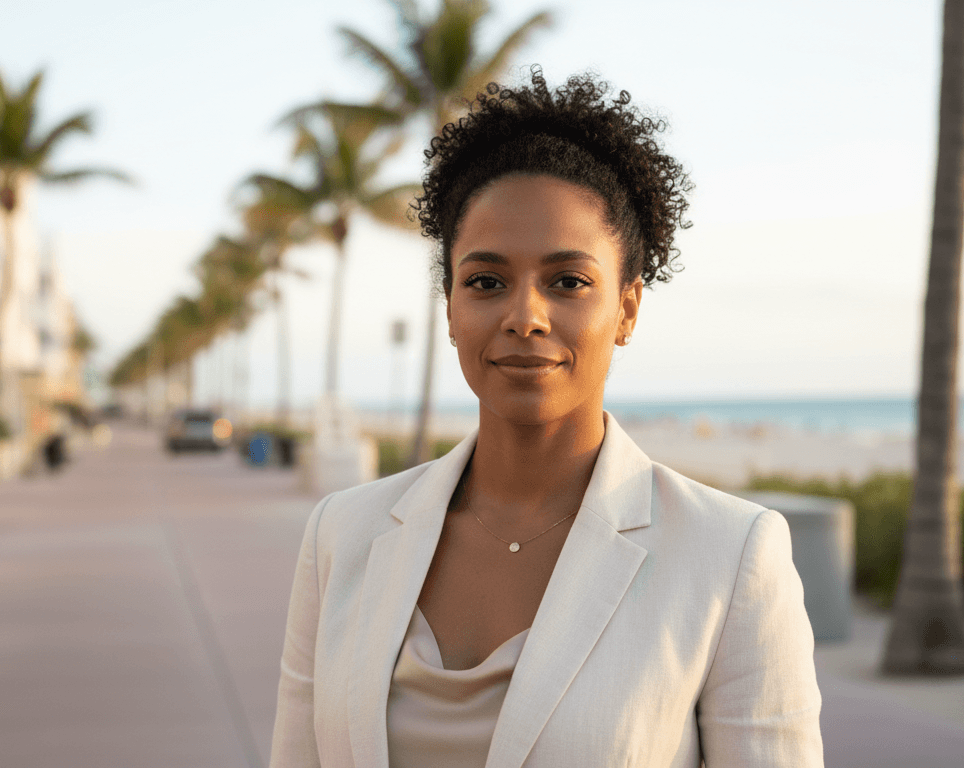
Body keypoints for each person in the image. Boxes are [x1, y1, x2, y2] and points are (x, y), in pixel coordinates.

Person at [269, 68, 822, 768]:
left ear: (626, 308)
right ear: (450, 309)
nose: (524, 316)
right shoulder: (342, 535)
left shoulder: (729, 555)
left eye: (568, 281)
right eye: (486, 281)